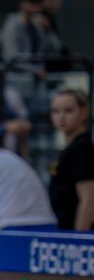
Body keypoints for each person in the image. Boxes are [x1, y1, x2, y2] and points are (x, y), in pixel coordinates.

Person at [49, 87, 94, 232]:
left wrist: (78, 240)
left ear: (84, 112)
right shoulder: (70, 148)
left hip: (77, 234)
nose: (61, 117)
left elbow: (89, 199)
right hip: (65, 227)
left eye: (68, 111)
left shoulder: (81, 149)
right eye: (56, 111)